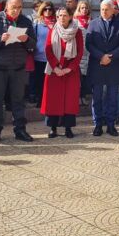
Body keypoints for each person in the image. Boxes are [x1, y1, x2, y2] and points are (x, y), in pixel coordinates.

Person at [0, 0, 36, 143]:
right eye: (14, 7)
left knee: (19, 100)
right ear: (7, 5)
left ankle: (20, 130)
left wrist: (27, 40)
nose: (16, 11)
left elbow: (33, 44)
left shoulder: (26, 21)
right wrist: (1, 39)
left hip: (18, 67)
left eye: (19, 7)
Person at [87, 0, 119, 137]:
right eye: (102, 9)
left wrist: (110, 57)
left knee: (113, 97)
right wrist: (101, 57)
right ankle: (98, 124)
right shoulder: (93, 24)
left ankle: (111, 125)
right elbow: (89, 44)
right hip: (98, 65)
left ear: (113, 10)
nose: (104, 12)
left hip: (115, 65)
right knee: (97, 97)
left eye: (107, 9)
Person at [41, 8, 84, 139]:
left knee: (69, 101)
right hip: (55, 71)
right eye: (59, 15)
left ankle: (68, 128)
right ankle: (53, 128)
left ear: (71, 16)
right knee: (53, 100)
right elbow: (48, 50)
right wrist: (56, 67)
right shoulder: (52, 30)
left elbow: (80, 52)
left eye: (65, 15)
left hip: (70, 71)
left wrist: (69, 68)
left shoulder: (77, 32)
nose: (62, 18)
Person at [31, 1, 55, 105]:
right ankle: (40, 101)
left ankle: (49, 101)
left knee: (50, 82)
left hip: (52, 57)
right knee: (39, 81)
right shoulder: (37, 23)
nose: (48, 11)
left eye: (50, 9)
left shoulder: (56, 23)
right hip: (39, 56)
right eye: (45, 9)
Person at [74, 1, 92, 106]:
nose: (84, 10)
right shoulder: (75, 22)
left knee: (85, 77)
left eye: (86, 8)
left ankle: (83, 96)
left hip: (89, 53)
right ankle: (77, 97)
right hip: (78, 53)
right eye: (82, 8)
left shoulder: (91, 21)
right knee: (78, 77)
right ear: (79, 9)